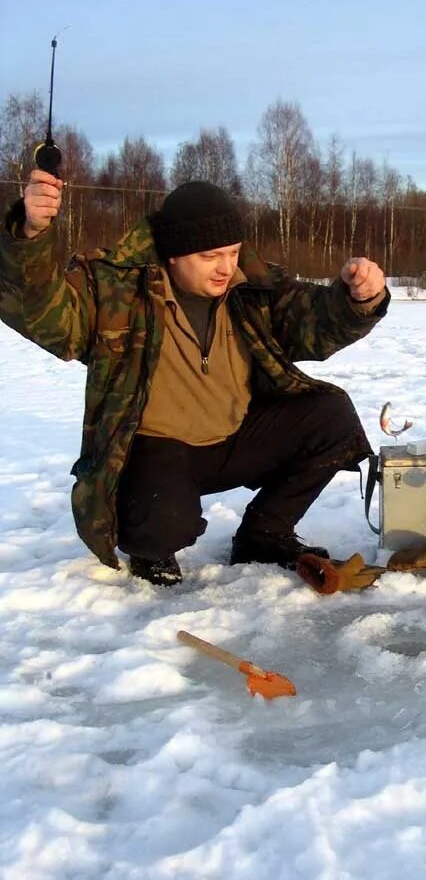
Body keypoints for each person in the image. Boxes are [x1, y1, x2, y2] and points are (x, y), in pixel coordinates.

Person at [0, 170, 389, 585]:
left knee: (332, 416)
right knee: (164, 523)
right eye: (209, 257)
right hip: (156, 452)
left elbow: (313, 320)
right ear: (173, 254)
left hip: (236, 439)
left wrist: (357, 299)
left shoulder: (249, 287)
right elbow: (41, 313)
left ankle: (265, 534)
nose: (226, 268)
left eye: (233, 252)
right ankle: (152, 547)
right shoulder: (114, 288)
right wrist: (29, 236)